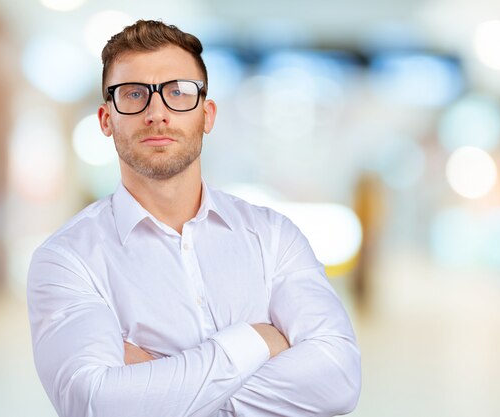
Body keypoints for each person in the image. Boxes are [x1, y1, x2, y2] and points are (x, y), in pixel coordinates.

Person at [27, 19, 361, 417]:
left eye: (178, 92)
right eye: (133, 94)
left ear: (207, 115)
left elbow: (339, 380)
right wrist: (256, 341)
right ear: (105, 119)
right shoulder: (67, 259)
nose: (156, 112)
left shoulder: (273, 237)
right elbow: (97, 402)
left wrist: (159, 382)